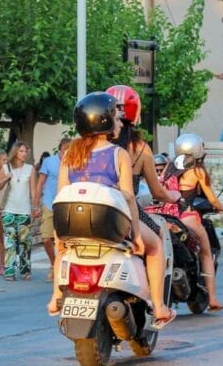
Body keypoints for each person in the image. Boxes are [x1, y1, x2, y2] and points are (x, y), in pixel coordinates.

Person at [48, 92, 178, 329]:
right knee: (156, 246)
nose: (120, 123)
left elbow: (61, 195)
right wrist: (136, 234)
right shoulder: (119, 154)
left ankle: (56, 296)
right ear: (105, 121)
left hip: (72, 221)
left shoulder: (69, 153)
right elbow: (128, 196)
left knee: (64, 252)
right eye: (117, 119)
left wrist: (59, 235)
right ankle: (159, 306)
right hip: (108, 223)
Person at [107, 85, 180, 327]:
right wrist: (173, 196)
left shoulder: (91, 145)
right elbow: (156, 190)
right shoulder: (140, 149)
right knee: (157, 241)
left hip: (92, 209)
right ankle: (158, 304)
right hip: (127, 211)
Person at [161, 133, 223, 311]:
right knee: (206, 254)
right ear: (198, 150)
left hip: (166, 217)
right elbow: (212, 199)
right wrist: (221, 207)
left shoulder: (169, 167)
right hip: (187, 217)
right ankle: (212, 298)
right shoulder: (197, 171)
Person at [32, 137, 71, 282]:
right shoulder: (49, 162)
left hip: (66, 205)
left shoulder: (75, 163)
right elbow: (40, 183)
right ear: (59, 149)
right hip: (49, 203)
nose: (66, 153)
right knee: (46, 238)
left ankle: (61, 268)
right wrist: (35, 205)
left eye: (69, 150)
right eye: (64, 150)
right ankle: (53, 263)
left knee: (63, 241)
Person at [0, 141, 37, 280]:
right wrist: (6, 178)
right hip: (8, 209)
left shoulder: (30, 169)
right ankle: (9, 272)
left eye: (26, 151)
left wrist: (35, 206)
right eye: (21, 151)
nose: (24, 154)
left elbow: (33, 191)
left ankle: (25, 271)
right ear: (15, 152)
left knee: (25, 243)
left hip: (24, 210)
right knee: (9, 243)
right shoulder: (6, 167)